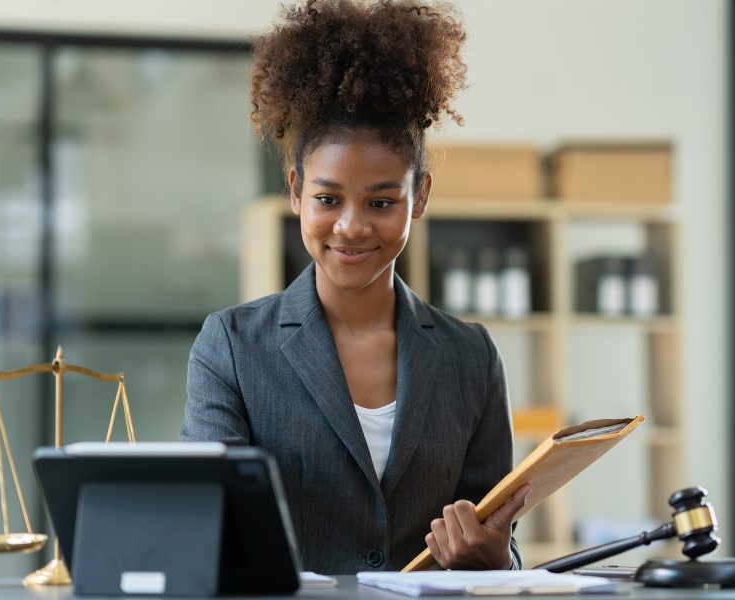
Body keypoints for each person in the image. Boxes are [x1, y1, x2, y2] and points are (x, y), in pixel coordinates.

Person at [181, 0, 531, 575]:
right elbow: (207, 522)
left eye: (381, 202)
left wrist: (495, 558)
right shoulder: (233, 346)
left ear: (419, 198)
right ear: (296, 191)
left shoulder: (472, 356)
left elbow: (499, 540)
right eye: (327, 199)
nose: (351, 225)